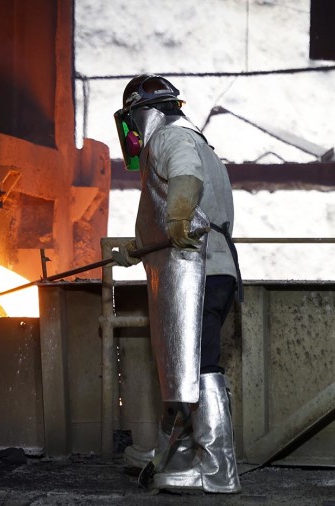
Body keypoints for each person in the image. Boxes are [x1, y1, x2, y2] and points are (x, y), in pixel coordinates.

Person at [111, 74, 242, 494]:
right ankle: (178, 458)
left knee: (201, 369)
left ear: (138, 114)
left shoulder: (171, 138)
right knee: (184, 369)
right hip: (207, 270)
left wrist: (179, 215)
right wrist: (140, 248)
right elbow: (179, 210)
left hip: (199, 273)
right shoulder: (197, 138)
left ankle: (219, 471)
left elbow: (185, 182)